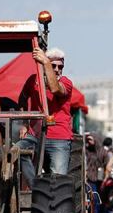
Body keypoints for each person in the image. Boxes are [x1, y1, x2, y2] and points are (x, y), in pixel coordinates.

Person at [16, 47, 73, 186]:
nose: (57, 69)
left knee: (58, 181)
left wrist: (46, 63)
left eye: (60, 67)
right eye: (53, 65)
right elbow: (22, 99)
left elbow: (55, 88)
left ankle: (54, 202)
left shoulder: (66, 82)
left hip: (59, 137)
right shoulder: (33, 80)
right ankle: (35, 187)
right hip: (34, 135)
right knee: (17, 150)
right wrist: (24, 124)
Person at [85, 133, 110, 213]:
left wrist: (106, 177)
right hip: (90, 178)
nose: (89, 142)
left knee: (101, 200)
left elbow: (108, 165)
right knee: (92, 199)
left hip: (101, 179)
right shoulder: (87, 150)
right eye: (88, 140)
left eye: (91, 140)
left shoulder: (103, 152)